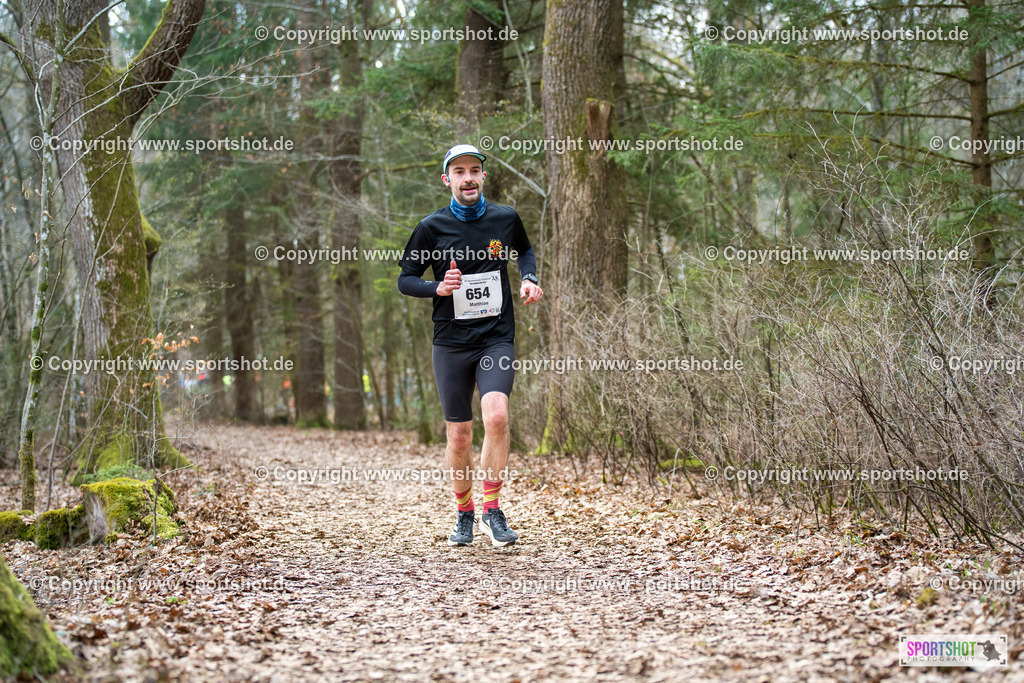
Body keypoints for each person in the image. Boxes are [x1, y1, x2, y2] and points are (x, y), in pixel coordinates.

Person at [398, 144, 543, 547]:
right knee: (459, 435)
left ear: (483, 176)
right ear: (447, 179)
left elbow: (524, 249)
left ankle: (492, 511)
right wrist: (437, 287)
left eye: (474, 170)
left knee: (496, 416)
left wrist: (528, 277)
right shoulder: (431, 227)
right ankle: (465, 513)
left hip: (496, 335)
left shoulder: (504, 218)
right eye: (459, 171)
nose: (468, 178)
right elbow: (406, 278)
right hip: (451, 343)